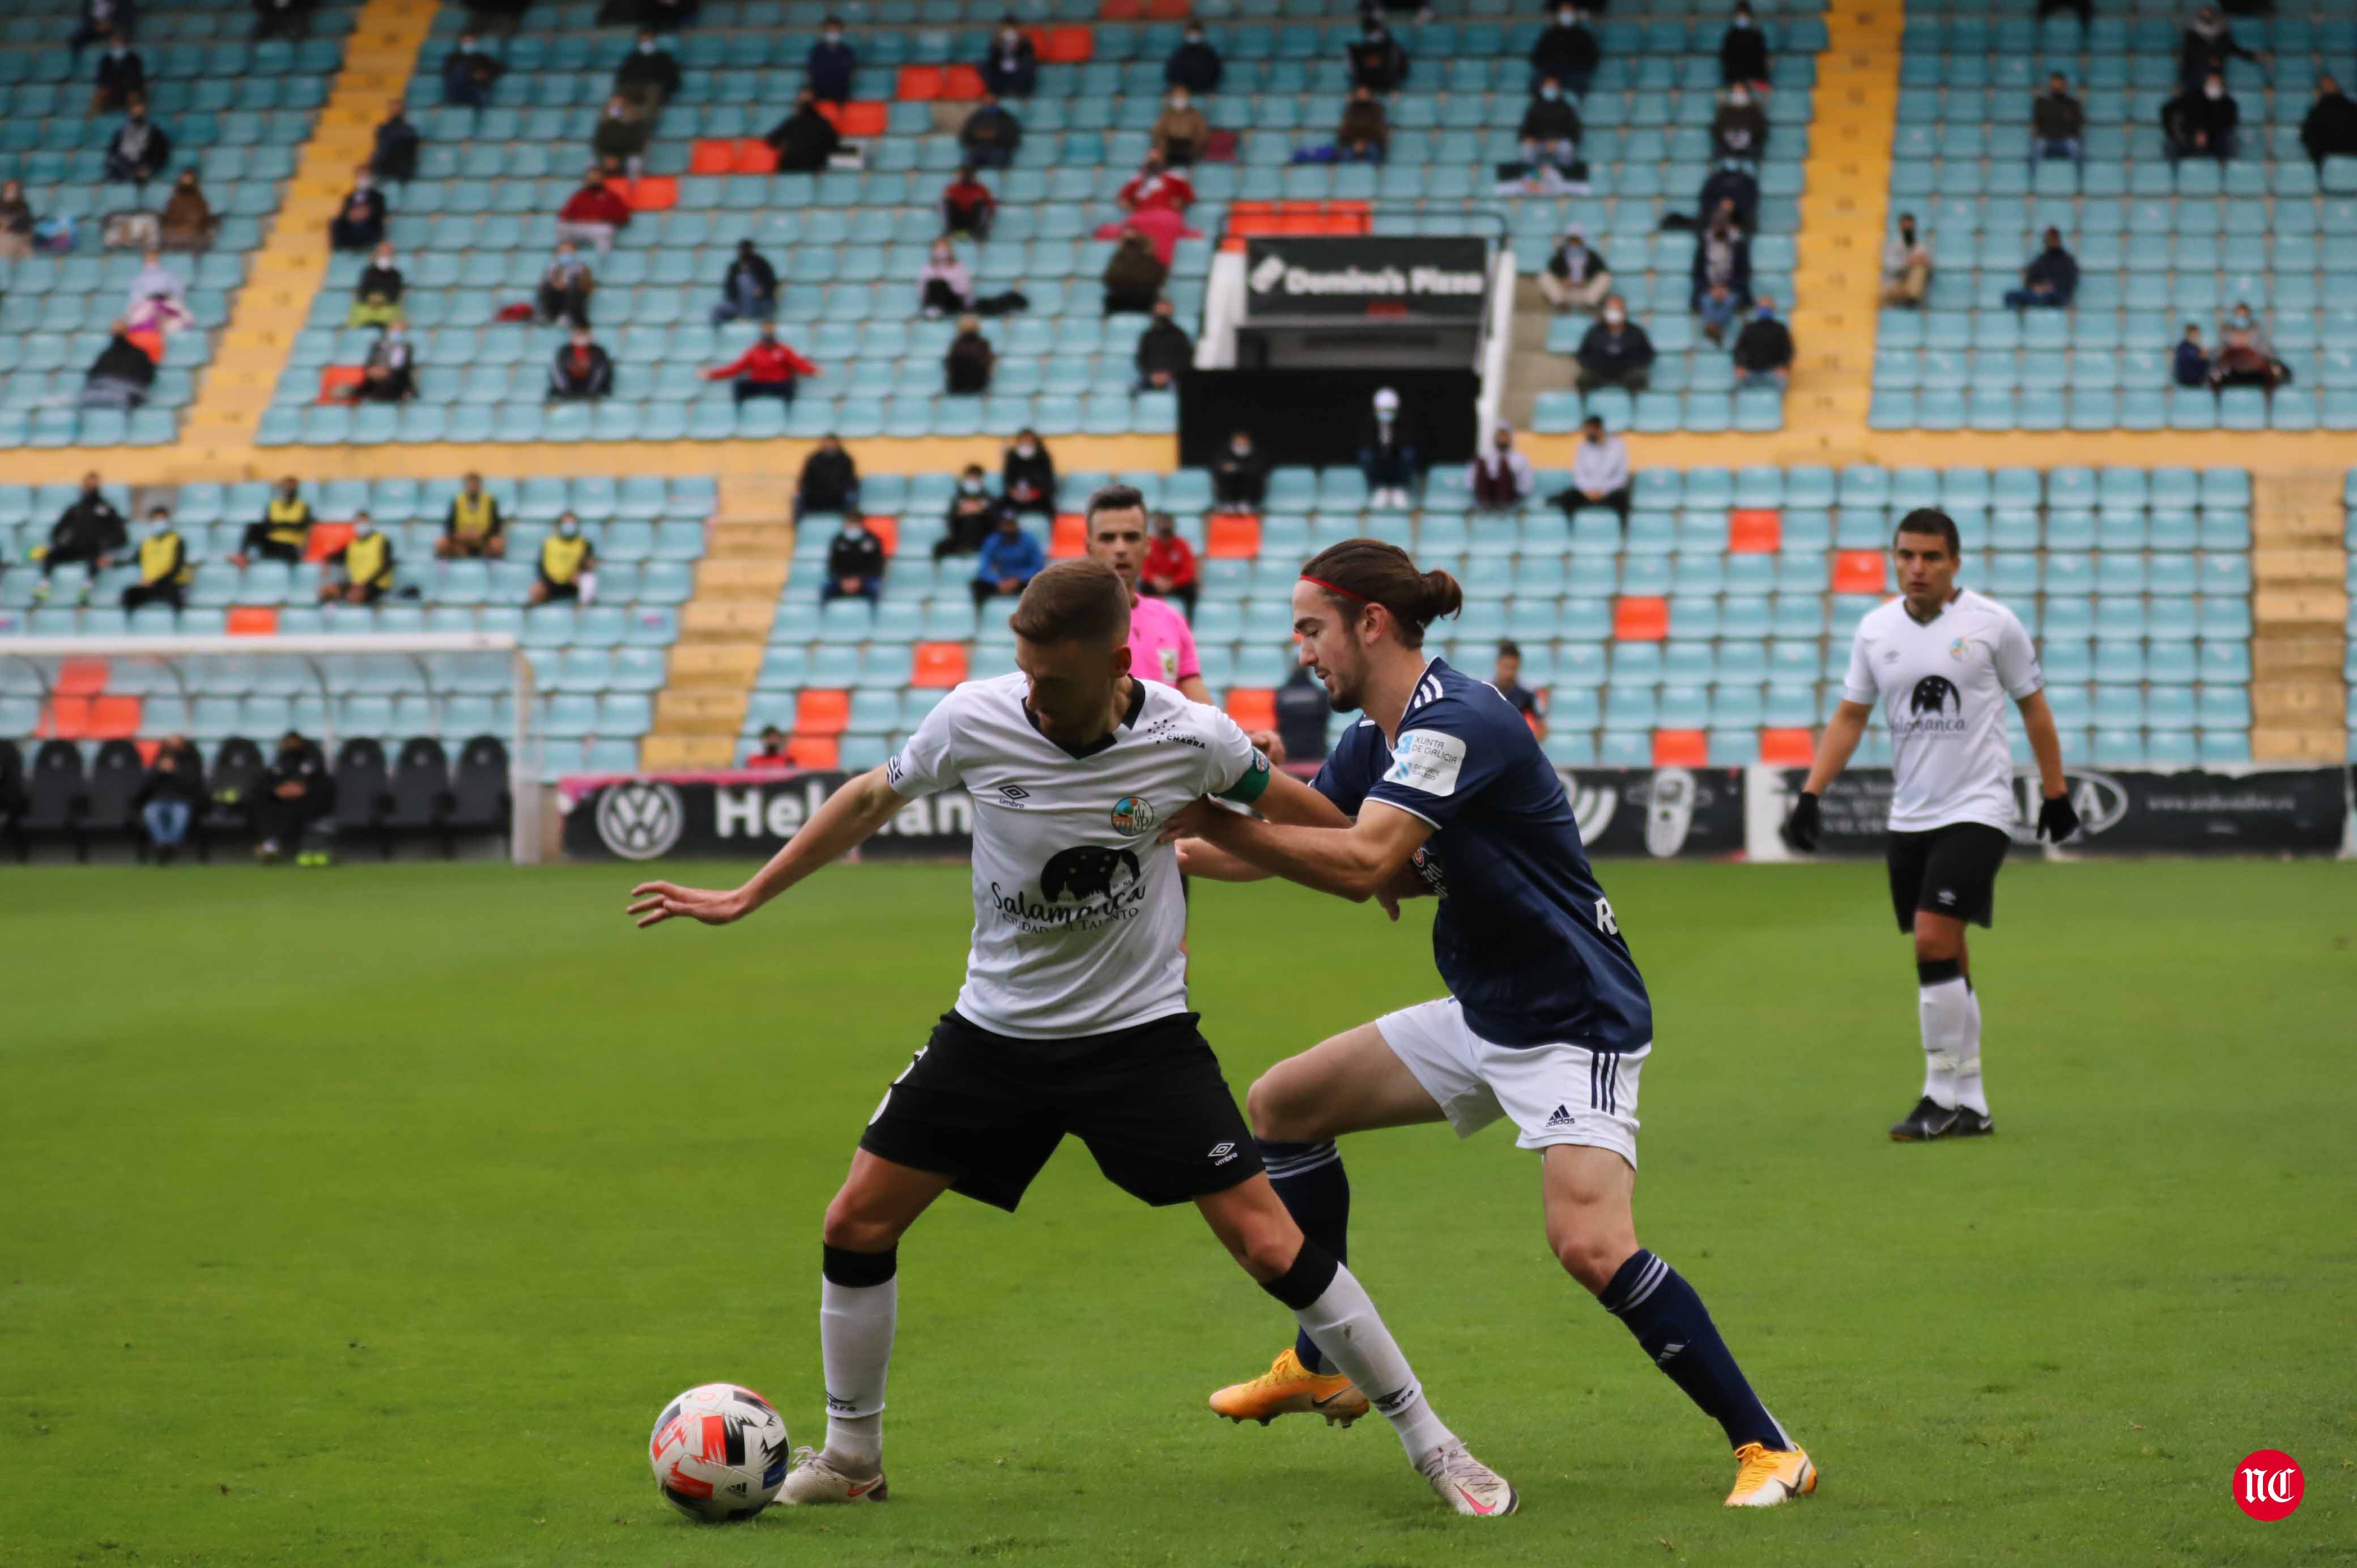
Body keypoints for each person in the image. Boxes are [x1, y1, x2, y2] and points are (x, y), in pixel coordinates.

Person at [627, 558, 1514, 1519]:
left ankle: (1436, 1443)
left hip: (1139, 1040)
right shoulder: (975, 715)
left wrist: (1375, 866)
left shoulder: (1190, 734)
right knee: (855, 1224)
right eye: (1024, 668)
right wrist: (749, 892)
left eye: (1054, 677)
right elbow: (868, 796)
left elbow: (1294, 805)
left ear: (1117, 660)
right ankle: (852, 1455)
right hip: (994, 1034)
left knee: (1270, 1243)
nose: (1034, 692)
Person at [1172, 539, 1814, 1510]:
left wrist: (1220, 819)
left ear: (1371, 623)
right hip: (1488, 1010)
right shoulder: (1374, 739)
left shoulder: (1458, 719)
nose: (1302, 649)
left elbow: (1359, 864)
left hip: (1572, 1015)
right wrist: (1168, 838)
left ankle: (1771, 1447)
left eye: (1312, 627)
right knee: (1285, 1103)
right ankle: (1323, 1360)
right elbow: (1306, 840)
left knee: (1592, 1245)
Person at [1781, 509, 2075, 1143]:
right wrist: (1810, 792)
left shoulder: (1993, 624)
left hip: (1978, 808)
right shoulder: (1874, 629)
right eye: (1906, 555)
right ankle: (1972, 1101)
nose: (1917, 568)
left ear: (1954, 563)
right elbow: (1850, 717)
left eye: (1931, 557)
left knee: (1930, 940)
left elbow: (2034, 709)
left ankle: (1936, 1093)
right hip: (1909, 814)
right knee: (1948, 951)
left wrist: (2054, 792)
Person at [1075, 487, 1212, 705]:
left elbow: (1203, 709)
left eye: (1131, 537)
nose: (1120, 548)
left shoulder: (1171, 620)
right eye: (1108, 538)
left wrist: (1245, 736)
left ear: (1148, 545)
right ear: (1089, 546)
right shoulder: (1068, 620)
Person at [33, 474, 127, 600]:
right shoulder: (76, 509)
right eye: (88, 485)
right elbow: (58, 529)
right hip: (74, 548)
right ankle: (44, 586)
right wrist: (58, 542)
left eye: (94, 485)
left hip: (93, 549)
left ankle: (87, 588)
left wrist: (106, 545)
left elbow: (120, 535)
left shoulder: (106, 509)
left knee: (96, 558)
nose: (91, 488)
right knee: (51, 555)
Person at [249, 730, 334, 864]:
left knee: (294, 807)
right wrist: (276, 790)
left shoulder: (313, 760)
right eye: (286, 743)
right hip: (282, 802)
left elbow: (322, 783)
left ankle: (277, 845)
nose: (289, 746)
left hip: (309, 802)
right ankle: (271, 844)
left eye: (292, 743)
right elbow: (265, 782)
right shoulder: (280, 763)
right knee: (261, 800)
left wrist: (301, 789)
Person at [704, 321, 817, 404]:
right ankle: (740, 417)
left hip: (778, 384)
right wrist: (712, 374)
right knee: (740, 386)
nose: (768, 341)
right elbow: (736, 368)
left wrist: (812, 370)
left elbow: (797, 363)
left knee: (790, 387)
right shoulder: (754, 351)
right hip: (760, 383)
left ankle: (788, 415)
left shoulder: (783, 349)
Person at [133, 736, 203, 863]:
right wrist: (159, 771)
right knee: (151, 813)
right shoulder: (158, 762)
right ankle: (162, 845)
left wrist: (175, 771)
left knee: (180, 815)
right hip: (158, 801)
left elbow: (193, 786)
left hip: (182, 801)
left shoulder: (190, 762)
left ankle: (171, 846)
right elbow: (145, 787)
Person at [1551, 413, 1629, 523]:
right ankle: (1572, 530)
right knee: (1569, 497)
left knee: (1622, 498)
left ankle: (1621, 533)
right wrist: (1588, 491)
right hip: (1587, 493)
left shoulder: (1618, 446)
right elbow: (1579, 475)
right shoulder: (1582, 447)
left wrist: (1603, 491)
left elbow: (1621, 477)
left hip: (1609, 494)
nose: (1586, 434)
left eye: (1589, 430)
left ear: (1599, 429)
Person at [1575, 296, 1655, 393]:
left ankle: (1633, 407)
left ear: (1624, 312)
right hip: (1599, 371)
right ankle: (1587, 407)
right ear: (1605, 312)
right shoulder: (1595, 331)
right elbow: (1582, 354)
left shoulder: (1636, 331)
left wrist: (1635, 363)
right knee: (1583, 380)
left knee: (1637, 379)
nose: (1615, 313)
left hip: (1627, 371)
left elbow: (1648, 354)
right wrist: (1593, 364)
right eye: (1611, 309)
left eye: (1618, 309)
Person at [968, 510, 1044, 607]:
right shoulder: (993, 540)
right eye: (1005, 524)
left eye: (1011, 524)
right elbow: (984, 568)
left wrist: (1018, 580)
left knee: (1039, 585)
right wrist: (998, 582)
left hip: (1022, 581)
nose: (1009, 528)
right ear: (1000, 526)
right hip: (1001, 580)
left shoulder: (1029, 539)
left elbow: (1037, 566)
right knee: (978, 585)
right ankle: (980, 614)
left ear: (1016, 525)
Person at [2179, 5, 2259, 95]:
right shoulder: (2218, 67)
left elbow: (2190, 50)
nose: (2215, 81)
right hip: (2215, 34)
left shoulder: (2192, 73)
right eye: (2217, 83)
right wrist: (2251, 57)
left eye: (2213, 83)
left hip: (2198, 35)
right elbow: (2230, 48)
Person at [1358, 387, 1418, 508]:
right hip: (1378, 461)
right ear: (1376, 409)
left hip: (1396, 461)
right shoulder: (1369, 423)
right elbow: (1366, 444)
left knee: (1409, 454)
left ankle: (1399, 489)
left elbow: (1406, 444)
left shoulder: (1404, 422)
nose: (1387, 413)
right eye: (1383, 410)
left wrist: (1391, 447)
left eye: (1390, 410)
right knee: (1365, 456)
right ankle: (1380, 489)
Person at [317, 512, 394, 605]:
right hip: (356, 584)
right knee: (327, 591)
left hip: (375, 585)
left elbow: (386, 565)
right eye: (358, 522)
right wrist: (326, 560)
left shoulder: (382, 541)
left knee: (356, 594)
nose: (360, 525)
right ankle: (328, 615)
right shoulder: (353, 544)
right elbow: (337, 556)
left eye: (363, 522)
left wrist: (365, 583)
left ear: (370, 523)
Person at [78, 319, 158, 410]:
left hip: (128, 392)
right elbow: (93, 375)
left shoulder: (139, 354)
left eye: (119, 330)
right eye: (115, 331)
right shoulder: (106, 355)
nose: (116, 333)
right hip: (103, 390)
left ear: (127, 332)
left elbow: (147, 377)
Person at [1690, 208, 1752, 323]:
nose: (1719, 228)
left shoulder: (1738, 245)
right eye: (1717, 224)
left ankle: (1713, 327)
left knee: (1729, 300)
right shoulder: (1704, 245)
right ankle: (1715, 328)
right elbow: (1698, 273)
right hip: (1708, 289)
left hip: (1732, 289)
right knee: (1707, 301)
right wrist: (1711, 289)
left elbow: (1744, 273)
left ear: (1728, 225)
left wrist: (1726, 288)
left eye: (1722, 224)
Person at [233, 475, 311, 566]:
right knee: (253, 527)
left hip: (291, 545)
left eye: (292, 487)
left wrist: (278, 525)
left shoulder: (303, 507)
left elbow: (301, 527)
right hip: (274, 544)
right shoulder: (273, 505)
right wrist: (289, 525)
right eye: (287, 487)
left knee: (291, 554)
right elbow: (268, 525)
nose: (289, 490)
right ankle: (242, 556)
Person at [935, 465, 1009, 559]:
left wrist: (982, 511)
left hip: (983, 538)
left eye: (975, 479)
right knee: (940, 548)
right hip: (961, 539)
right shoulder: (958, 499)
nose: (972, 482)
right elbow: (950, 521)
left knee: (974, 521)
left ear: (981, 480)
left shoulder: (989, 498)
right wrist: (960, 513)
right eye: (970, 479)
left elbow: (996, 522)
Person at [2211, 302, 2289, 391]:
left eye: (2243, 315)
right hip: (2232, 374)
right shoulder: (2226, 333)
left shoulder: (2257, 333)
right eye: (2238, 315)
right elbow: (2218, 355)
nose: (2241, 318)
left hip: (2255, 373)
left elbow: (2268, 353)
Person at [2163, 73, 2237, 163]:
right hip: (2190, 139)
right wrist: (2195, 134)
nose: (2214, 86)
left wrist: (2208, 135)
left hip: (2216, 140)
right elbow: (2169, 111)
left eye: (2216, 83)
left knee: (2228, 143)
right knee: (2172, 146)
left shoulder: (2229, 104)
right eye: (2211, 83)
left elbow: (2228, 125)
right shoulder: (2193, 98)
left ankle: (2224, 172)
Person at [555, 168, 632, 255]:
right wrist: (579, 220)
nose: (594, 181)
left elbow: (625, 217)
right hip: (581, 227)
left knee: (606, 231)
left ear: (602, 179)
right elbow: (565, 215)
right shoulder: (579, 196)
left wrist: (607, 220)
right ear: (586, 180)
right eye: (591, 179)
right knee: (561, 227)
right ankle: (566, 260)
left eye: (596, 178)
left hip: (600, 228)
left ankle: (603, 263)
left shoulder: (611, 197)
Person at [1140, 510, 1199, 622]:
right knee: (1143, 587)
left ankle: (1188, 622)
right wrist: (1155, 580)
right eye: (1164, 533)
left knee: (1191, 590)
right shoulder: (1151, 546)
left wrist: (1173, 582)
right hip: (1157, 584)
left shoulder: (1182, 545)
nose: (1167, 538)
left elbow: (1188, 572)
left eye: (1169, 533)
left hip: (1176, 584)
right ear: (1158, 532)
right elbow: (1145, 569)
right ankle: (1145, 620)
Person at [528, 512, 597, 606]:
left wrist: (579, 572)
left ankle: (582, 612)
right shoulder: (549, 544)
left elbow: (588, 563)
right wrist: (545, 580)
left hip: (573, 583)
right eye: (566, 523)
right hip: (551, 583)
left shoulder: (584, 544)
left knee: (588, 580)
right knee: (536, 589)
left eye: (571, 523)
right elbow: (541, 565)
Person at [767, 89, 841, 173]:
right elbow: (834, 145)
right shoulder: (824, 123)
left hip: (791, 168)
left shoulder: (794, 122)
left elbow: (772, 140)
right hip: (815, 168)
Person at [1539, 225, 1610, 313]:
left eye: (1577, 239)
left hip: (1585, 293)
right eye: (1572, 239)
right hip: (1565, 293)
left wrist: (1588, 281)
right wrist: (1562, 280)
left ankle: (1589, 305)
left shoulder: (1592, 256)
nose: (1574, 242)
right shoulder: (1560, 255)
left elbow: (1602, 271)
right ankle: (1561, 305)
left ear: (1582, 240)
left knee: (1605, 277)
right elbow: (1551, 271)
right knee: (1544, 276)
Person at [1530, 5, 1598, 95]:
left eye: (1569, 12)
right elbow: (1537, 56)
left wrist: (1579, 68)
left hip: (1575, 72)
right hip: (1552, 72)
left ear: (1575, 14)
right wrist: (1548, 71)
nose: (1566, 15)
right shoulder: (1550, 34)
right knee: (1538, 83)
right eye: (1564, 12)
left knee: (1580, 85)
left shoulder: (1583, 35)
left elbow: (1592, 57)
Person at [2002, 228, 2077, 310]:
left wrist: (2050, 287)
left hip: (2056, 295)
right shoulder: (2040, 260)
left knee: (2051, 297)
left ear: (2058, 240)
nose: (2050, 241)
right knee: (2010, 295)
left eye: (2052, 239)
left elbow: (2069, 282)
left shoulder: (2067, 261)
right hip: (2038, 294)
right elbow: (2029, 280)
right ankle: (2018, 317)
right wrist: (2037, 287)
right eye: (2048, 239)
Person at [818, 514, 885, 606]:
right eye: (850, 524)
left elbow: (877, 565)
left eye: (855, 524)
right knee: (825, 589)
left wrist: (860, 580)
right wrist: (843, 580)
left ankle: (874, 617)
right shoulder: (838, 540)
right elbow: (833, 564)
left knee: (875, 589)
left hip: (865, 579)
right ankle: (824, 616)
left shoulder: (872, 540)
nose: (853, 527)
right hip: (842, 580)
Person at [1731, 295, 1793, 390]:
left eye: (1768, 308)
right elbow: (1739, 349)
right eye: (1763, 308)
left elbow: (1788, 350)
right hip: (1751, 371)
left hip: (1772, 372)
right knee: (1736, 383)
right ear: (1758, 310)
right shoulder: (1749, 328)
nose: (1765, 310)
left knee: (1783, 381)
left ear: (1773, 310)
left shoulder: (1780, 329)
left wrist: (1783, 366)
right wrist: (1740, 366)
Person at [439, 471, 506, 559]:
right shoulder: (457, 501)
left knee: (497, 544)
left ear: (480, 486)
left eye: (475, 484)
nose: (473, 487)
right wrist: (460, 535)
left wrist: (482, 535)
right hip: (461, 542)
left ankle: (493, 568)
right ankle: (447, 569)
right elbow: (449, 526)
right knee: (442, 544)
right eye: (470, 484)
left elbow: (496, 527)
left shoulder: (490, 501)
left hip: (484, 542)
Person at [1466, 425, 1534, 512]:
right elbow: (1472, 481)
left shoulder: (1520, 458)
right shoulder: (1487, 456)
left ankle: (1502, 504)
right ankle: (1485, 503)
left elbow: (1525, 483)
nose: (1503, 439)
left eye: (1505, 436)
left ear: (1510, 438)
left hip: (1510, 494)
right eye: (1500, 436)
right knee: (1480, 463)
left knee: (1504, 466)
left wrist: (1520, 494)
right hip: (1488, 494)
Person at [1275, 659, 1330, 766]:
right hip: (1316, 755)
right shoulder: (1320, 694)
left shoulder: (1281, 694)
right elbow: (1325, 720)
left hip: (1288, 756)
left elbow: (1279, 720)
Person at [1518, 77, 1580, 171]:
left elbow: (1574, 132)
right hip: (1539, 143)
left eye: (1553, 87)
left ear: (1559, 89)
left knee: (1567, 148)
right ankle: (1530, 176)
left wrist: (1556, 141)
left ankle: (1565, 175)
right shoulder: (1534, 108)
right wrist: (1529, 138)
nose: (1550, 89)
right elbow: (1525, 130)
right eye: (1548, 86)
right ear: (1542, 88)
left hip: (1558, 143)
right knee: (1527, 149)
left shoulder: (1566, 108)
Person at [797, 433, 861, 523]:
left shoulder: (846, 460)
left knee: (851, 497)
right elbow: (805, 480)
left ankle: (850, 525)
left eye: (832, 443)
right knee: (798, 499)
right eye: (827, 443)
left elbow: (851, 481)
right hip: (815, 498)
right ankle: (802, 527)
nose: (830, 445)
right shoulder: (814, 459)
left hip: (839, 498)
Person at [711, 238, 777, 325]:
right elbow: (729, 288)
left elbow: (771, 284)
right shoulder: (734, 267)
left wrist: (762, 291)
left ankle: (747, 318)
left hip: (760, 304)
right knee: (718, 309)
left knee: (746, 280)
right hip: (739, 305)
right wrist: (737, 296)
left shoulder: (762, 264)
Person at [105, 96, 171, 183]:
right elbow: (113, 152)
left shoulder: (154, 132)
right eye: (135, 110)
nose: (137, 112)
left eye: (140, 110)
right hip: (123, 167)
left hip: (144, 167)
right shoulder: (121, 132)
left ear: (145, 112)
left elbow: (161, 153)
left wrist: (149, 167)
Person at [1102, 227, 1167, 314]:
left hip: (1140, 301)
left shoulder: (1149, 259)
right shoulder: (1119, 259)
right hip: (1131, 300)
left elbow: (1109, 279)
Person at [347, 322, 417, 403]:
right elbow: (369, 363)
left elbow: (404, 368)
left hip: (397, 379)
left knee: (390, 381)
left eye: (400, 330)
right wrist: (374, 370)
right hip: (376, 376)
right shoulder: (377, 345)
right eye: (394, 330)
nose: (397, 333)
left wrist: (387, 372)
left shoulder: (406, 348)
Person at [614, 28, 680, 112]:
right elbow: (622, 76)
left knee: (653, 94)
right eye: (644, 38)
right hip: (633, 87)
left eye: (649, 37)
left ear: (654, 39)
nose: (646, 40)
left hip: (654, 88)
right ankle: (613, 120)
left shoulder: (663, 57)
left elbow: (672, 78)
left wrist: (666, 89)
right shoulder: (632, 57)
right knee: (618, 97)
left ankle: (643, 124)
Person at [1490, 640, 1546, 739]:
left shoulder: (1529, 693)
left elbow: (1542, 728)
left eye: (1513, 668)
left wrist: (1526, 745)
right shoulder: (1485, 690)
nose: (1509, 673)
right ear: (1497, 664)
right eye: (1506, 667)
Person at [1133, 298, 1192, 392]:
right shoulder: (1148, 335)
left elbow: (1186, 360)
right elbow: (1141, 358)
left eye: (1165, 311)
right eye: (1160, 311)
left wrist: (1169, 375)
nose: (1162, 314)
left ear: (1171, 312)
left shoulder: (1180, 335)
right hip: (1150, 377)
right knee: (1135, 392)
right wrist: (1151, 375)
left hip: (1173, 378)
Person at [2300, 75, 2357, 173]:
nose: (2329, 87)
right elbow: (2308, 136)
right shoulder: (2316, 112)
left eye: (2330, 84)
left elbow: (2307, 137)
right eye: (2326, 85)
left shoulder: (2351, 108)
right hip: (2330, 157)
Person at [2031, 74, 2084, 169]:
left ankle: (2079, 177)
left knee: (2074, 147)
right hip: (2047, 138)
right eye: (2054, 84)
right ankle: (2034, 176)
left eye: (2059, 84)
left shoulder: (2073, 103)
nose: (2057, 86)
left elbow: (2077, 122)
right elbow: (2039, 121)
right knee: (2038, 146)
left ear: (2065, 85)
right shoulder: (2042, 102)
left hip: (2066, 139)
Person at [547, 324, 615, 399]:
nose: (581, 338)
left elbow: (601, 372)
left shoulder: (599, 352)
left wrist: (592, 391)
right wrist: (566, 391)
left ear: (590, 336)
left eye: (584, 334)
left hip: (593, 390)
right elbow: (558, 373)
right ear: (572, 336)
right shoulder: (564, 352)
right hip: (568, 389)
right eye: (579, 334)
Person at [958, 91, 1022, 169]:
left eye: (991, 99)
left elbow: (1013, 137)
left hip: (998, 148)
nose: (989, 101)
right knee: (969, 162)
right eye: (986, 99)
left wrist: (997, 136)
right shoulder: (975, 117)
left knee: (999, 158)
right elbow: (965, 136)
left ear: (996, 100)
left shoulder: (1006, 118)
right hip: (978, 148)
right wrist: (978, 135)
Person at [1116, 153, 1194, 216]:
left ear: (1162, 160)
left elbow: (1189, 196)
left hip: (1167, 215)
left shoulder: (1174, 177)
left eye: (1156, 159)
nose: (1153, 161)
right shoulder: (1137, 180)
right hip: (1142, 216)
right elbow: (1122, 199)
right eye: (1151, 159)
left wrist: (1181, 202)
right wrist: (1131, 207)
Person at [1879, 212, 1931, 308]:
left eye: (1910, 226)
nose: (1908, 228)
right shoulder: (1893, 246)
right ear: (1900, 227)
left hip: (1913, 287)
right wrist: (1908, 262)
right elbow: (1889, 267)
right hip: (1895, 285)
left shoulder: (1921, 247)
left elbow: (1927, 263)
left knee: (1920, 267)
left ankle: (1911, 297)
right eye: (1905, 225)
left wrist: (1920, 261)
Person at [328, 165, 386, 250]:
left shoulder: (378, 197)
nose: (363, 179)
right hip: (352, 225)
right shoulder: (349, 196)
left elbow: (380, 213)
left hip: (369, 225)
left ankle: (368, 246)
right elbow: (344, 212)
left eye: (366, 176)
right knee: (336, 222)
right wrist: (352, 215)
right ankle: (340, 248)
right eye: (361, 176)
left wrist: (366, 213)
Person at [590, 93, 650, 174]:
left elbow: (637, 146)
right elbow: (598, 144)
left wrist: (618, 159)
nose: (616, 109)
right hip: (607, 156)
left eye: (619, 106)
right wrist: (606, 157)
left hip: (626, 156)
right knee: (592, 163)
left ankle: (633, 186)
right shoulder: (604, 125)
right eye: (614, 106)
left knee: (634, 162)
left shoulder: (636, 125)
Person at [1002, 428, 1057, 514]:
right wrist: (1013, 492)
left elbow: (1048, 481)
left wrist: (1035, 494)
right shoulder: (1012, 456)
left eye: (1028, 440)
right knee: (1001, 506)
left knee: (1049, 507)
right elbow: (1007, 479)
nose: (1026, 443)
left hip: (1038, 497)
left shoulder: (1043, 456)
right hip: (1017, 497)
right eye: (1023, 440)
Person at [442, 31, 504, 106]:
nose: (468, 43)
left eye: (471, 41)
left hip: (477, 90)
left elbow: (498, 68)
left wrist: (483, 75)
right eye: (466, 41)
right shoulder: (453, 58)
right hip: (458, 91)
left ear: (475, 42)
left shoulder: (482, 58)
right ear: (461, 41)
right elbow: (447, 73)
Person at [979, 18, 1037, 98]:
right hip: (1001, 70)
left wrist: (1019, 45)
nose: (1008, 32)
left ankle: (1020, 91)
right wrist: (997, 45)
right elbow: (993, 58)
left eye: (1011, 29)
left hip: (1018, 69)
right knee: (984, 65)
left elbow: (1030, 55)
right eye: (1006, 29)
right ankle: (998, 92)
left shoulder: (1025, 41)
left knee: (1029, 64)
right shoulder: (997, 41)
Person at [350, 241, 403, 325]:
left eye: (387, 253)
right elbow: (363, 291)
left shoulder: (396, 274)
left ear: (393, 256)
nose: (385, 256)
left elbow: (395, 294)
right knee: (359, 313)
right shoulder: (368, 272)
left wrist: (382, 299)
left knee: (393, 316)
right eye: (382, 253)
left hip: (388, 307)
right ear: (376, 255)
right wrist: (371, 299)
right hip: (368, 306)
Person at [1697, 159, 1759, 232]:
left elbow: (1750, 200)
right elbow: (1705, 198)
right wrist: (1720, 206)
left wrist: (1732, 206)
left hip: (1740, 217)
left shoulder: (1748, 182)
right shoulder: (1715, 180)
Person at [1711, 83, 1767, 163]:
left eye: (1741, 91)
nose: (1738, 94)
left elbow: (1761, 130)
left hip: (1751, 147)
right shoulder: (1725, 110)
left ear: (1747, 93)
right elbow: (1717, 129)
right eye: (1736, 91)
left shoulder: (1754, 110)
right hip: (1726, 147)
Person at [1333, 85, 1390, 163]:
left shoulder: (1377, 110)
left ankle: (1375, 173)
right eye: (1360, 93)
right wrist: (1355, 143)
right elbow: (1346, 129)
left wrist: (1364, 143)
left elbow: (1379, 130)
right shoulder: (1350, 110)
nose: (1363, 95)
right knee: (1345, 154)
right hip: (1351, 143)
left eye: (1365, 93)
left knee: (1374, 152)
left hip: (1372, 142)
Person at [1152, 88, 1209, 167]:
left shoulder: (1195, 115)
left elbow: (1202, 133)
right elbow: (1158, 133)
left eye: (1182, 97)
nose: (1179, 100)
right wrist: (1163, 148)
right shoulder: (1166, 115)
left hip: (1189, 148)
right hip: (1170, 148)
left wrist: (1195, 147)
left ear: (1187, 98)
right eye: (1177, 97)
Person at [806, 15, 856, 104]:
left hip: (841, 95)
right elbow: (811, 73)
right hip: (819, 94)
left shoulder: (847, 52)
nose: (833, 33)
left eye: (836, 31)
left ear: (841, 32)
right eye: (830, 31)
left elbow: (851, 73)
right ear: (824, 32)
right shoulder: (816, 52)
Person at [1347, 19, 1407, 93]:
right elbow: (1355, 73)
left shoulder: (1393, 49)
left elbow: (1400, 70)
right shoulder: (1359, 50)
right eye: (1370, 32)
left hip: (1388, 86)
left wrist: (1394, 87)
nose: (1374, 35)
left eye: (1376, 31)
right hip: (1366, 88)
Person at [917, 237, 973, 317]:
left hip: (953, 301)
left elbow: (965, 289)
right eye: (938, 248)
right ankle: (934, 308)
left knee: (941, 284)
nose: (941, 250)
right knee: (934, 283)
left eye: (944, 247)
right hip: (934, 300)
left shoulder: (958, 267)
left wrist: (949, 283)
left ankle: (939, 308)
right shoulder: (928, 268)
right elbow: (922, 289)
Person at [1212, 430, 1266, 513]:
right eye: (1238, 442)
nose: (1241, 444)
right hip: (1230, 487)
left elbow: (1258, 469)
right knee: (1226, 476)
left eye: (1243, 442)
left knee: (1249, 477)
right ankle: (1228, 503)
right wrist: (1226, 468)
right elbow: (1218, 466)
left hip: (1250, 489)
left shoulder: (1255, 453)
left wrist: (1240, 468)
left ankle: (1245, 503)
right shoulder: (1225, 452)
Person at [1164, 19, 1222, 95]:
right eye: (1191, 33)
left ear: (1202, 35)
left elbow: (1216, 72)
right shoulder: (1179, 53)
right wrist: (1179, 87)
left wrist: (1210, 88)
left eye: (1196, 33)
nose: (1193, 36)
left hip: (1205, 90)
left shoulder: (1210, 54)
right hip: (1183, 92)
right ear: (1186, 34)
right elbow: (1172, 72)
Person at [92, 33, 145, 114]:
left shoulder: (133, 58)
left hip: (129, 87)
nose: (116, 45)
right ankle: (91, 120)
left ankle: (135, 118)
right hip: (111, 87)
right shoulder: (106, 59)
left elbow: (137, 76)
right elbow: (101, 77)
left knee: (133, 96)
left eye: (118, 42)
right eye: (114, 42)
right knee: (100, 95)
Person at [1718, 3, 1766, 90]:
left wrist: (1753, 80)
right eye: (1740, 16)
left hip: (1754, 78)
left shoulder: (1757, 35)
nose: (1742, 18)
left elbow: (1761, 57)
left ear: (1750, 16)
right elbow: (1726, 57)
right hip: (1734, 79)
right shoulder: (1730, 36)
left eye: (1744, 16)